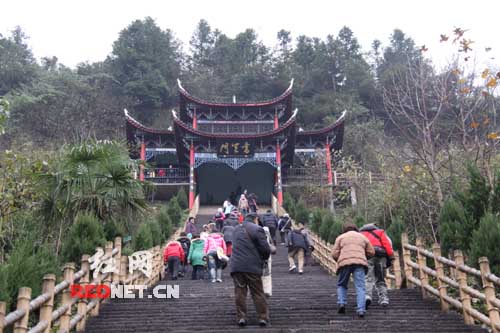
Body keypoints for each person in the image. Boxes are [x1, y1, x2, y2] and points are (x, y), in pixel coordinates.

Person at [230, 213, 271, 327]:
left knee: (240, 293)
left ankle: (241, 317)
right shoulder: (257, 229)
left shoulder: (236, 229)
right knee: (257, 292)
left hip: (237, 266)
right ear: (256, 219)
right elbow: (265, 249)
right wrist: (264, 259)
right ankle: (262, 317)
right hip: (252, 266)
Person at [332, 222, 375, 318]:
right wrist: (363, 257)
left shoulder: (341, 237)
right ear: (356, 228)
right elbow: (371, 252)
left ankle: (342, 303)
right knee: (360, 287)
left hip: (344, 264)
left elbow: (334, 254)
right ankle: (361, 310)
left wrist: (340, 260)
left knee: (342, 284)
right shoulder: (363, 237)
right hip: (359, 264)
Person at [360, 223, 394, 308]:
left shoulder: (361, 234)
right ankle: (384, 299)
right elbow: (387, 244)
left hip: (368, 256)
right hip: (381, 256)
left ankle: (367, 296)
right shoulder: (380, 232)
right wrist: (391, 257)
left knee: (368, 277)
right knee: (380, 278)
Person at [262, 226, 277, 297]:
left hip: (259, 257)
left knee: (261, 274)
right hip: (268, 256)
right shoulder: (268, 237)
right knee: (268, 273)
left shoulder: (258, 236)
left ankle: (262, 289)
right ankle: (267, 290)